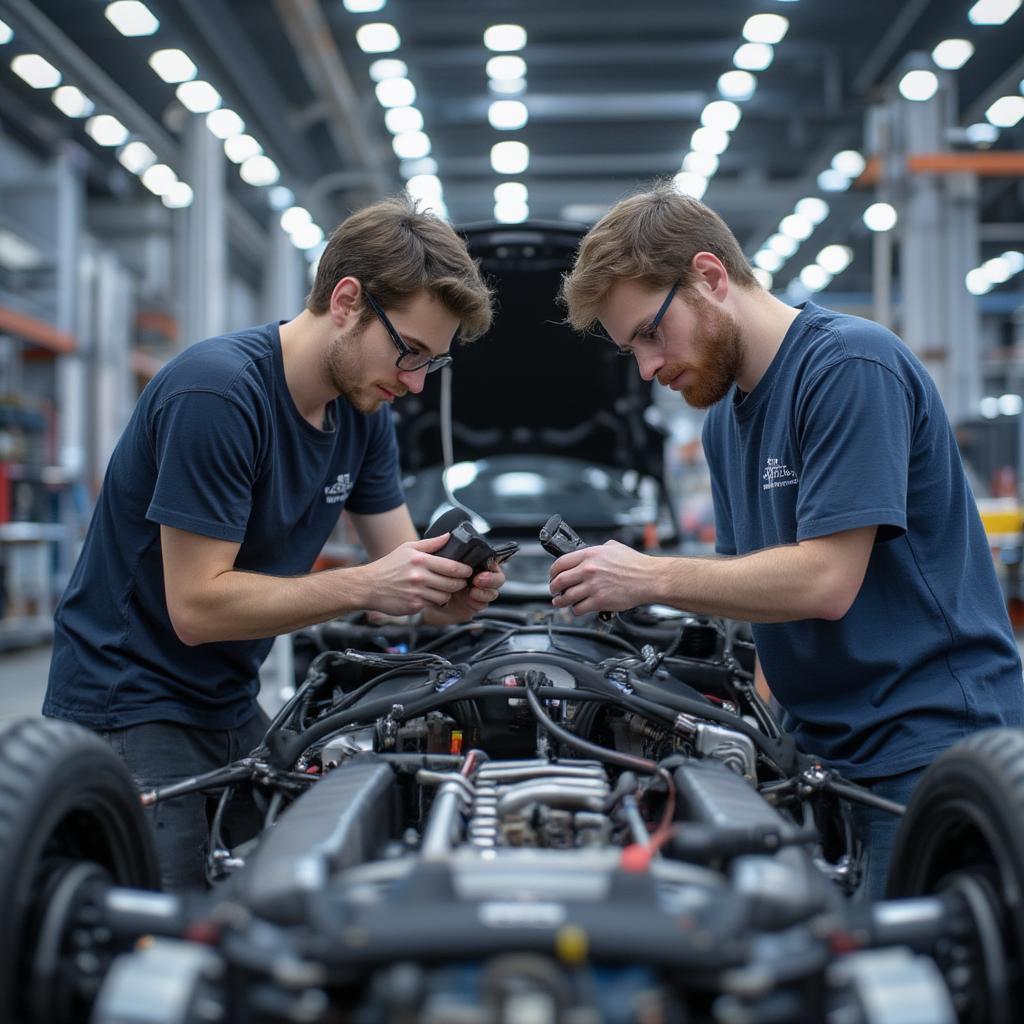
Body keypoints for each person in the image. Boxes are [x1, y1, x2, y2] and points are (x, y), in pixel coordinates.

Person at [554, 181, 1024, 900]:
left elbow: (823, 583)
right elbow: (762, 600)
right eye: (631, 351)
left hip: (923, 748)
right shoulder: (723, 422)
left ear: (710, 276)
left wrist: (648, 576)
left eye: (651, 332)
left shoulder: (847, 368)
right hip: (821, 752)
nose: (648, 368)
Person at [43, 194, 504, 890]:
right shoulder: (218, 394)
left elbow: (399, 580)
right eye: (408, 351)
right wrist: (370, 585)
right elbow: (197, 608)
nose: (412, 383)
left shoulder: (362, 414)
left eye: (430, 365)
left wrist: (448, 594)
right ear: (346, 300)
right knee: (177, 939)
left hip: (228, 700)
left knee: (296, 885)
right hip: (129, 705)